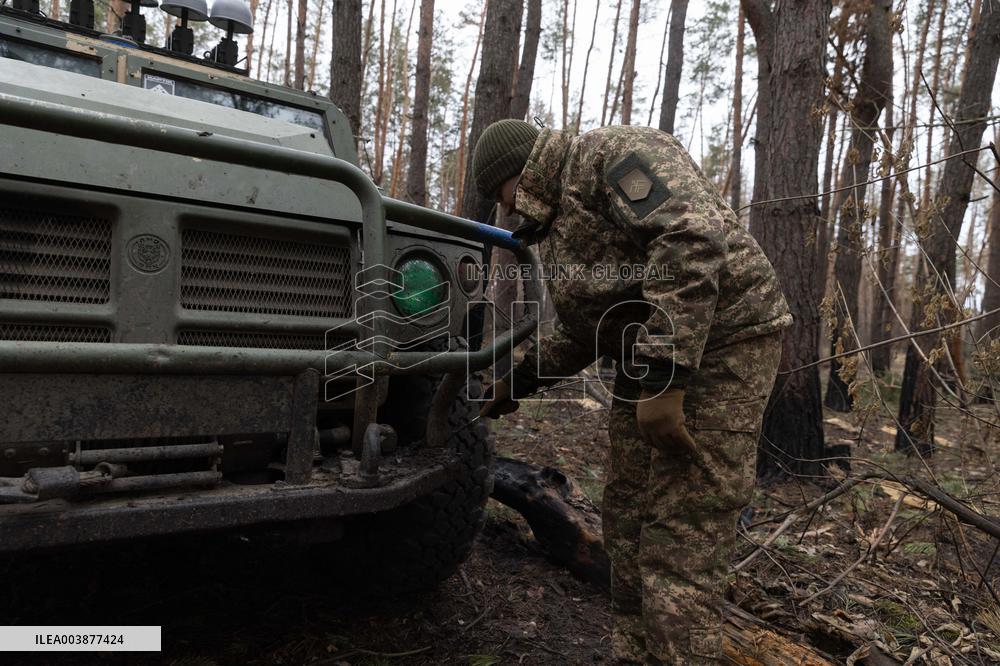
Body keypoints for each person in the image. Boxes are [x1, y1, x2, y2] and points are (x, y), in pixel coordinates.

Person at [472, 119, 792, 664]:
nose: (505, 210)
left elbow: (690, 239)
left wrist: (667, 378)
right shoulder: (561, 219)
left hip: (722, 339)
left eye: (501, 195)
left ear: (518, 172)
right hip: (649, 352)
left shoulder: (611, 156)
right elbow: (588, 328)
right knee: (627, 518)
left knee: (682, 531)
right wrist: (517, 380)